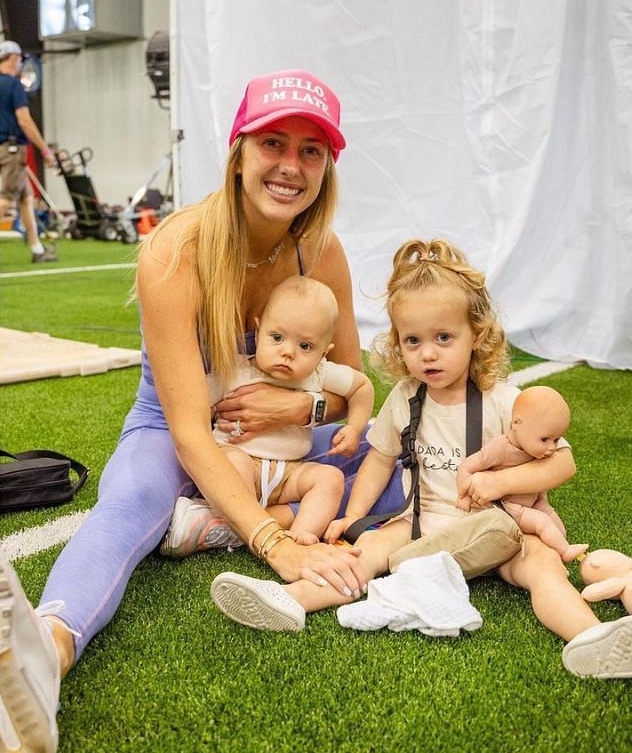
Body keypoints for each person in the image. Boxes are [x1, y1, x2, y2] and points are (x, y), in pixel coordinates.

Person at [0, 70, 404, 753]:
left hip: (275, 439)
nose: (291, 165)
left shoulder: (323, 252)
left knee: (395, 480)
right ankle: (47, 647)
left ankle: (211, 522)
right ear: (239, 150)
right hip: (177, 427)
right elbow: (190, 430)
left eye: (312, 151)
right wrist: (277, 545)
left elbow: (348, 392)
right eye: (274, 142)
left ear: (327, 166)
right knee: (132, 504)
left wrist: (299, 406)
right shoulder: (176, 250)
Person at [209, 239, 632, 678]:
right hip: (423, 524)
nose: (427, 353)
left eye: (443, 338)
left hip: (504, 525)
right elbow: (378, 460)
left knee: (545, 568)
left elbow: (563, 463)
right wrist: (351, 518)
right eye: (413, 340)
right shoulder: (406, 398)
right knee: (363, 552)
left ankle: (591, 640)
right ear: (398, 344)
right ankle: (290, 600)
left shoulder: (505, 401)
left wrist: (499, 484)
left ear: (477, 336)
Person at [163, 275, 374, 552]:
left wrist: (355, 428)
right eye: (277, 337)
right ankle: (243, 521)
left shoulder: (318, 374)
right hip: (240, 466)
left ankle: (301, 537)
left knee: (329, 479)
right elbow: (194, 403)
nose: (287, 352)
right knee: (232, 460)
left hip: (288, 473)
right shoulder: (234, 371)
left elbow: (361, 386)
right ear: (259, 329)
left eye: (305, 346)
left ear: (324, 352)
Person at [456, 385, 586, 562]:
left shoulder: (535, 448)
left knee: (557, 527)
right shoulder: (500, 448)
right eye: (544, 439)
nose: (552, 447)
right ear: (517, 423)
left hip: (533, 501)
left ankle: (558, 550)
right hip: (509, 507)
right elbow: (466, 467)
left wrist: (542, 500)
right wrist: (464, 496)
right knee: (543, 523)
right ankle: (564, 551)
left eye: (556, 440)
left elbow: (564, 466)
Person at [0, 40, 57, 263]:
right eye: (19, 60)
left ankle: (37, 249)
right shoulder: (14, 86)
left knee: (26, 199)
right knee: (6, 200)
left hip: (1, 148)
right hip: (12, 149)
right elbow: (24, 120)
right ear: (13, 59)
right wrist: (45, 150)